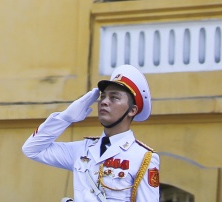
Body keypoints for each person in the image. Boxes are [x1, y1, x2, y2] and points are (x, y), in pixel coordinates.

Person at [22, 65, 160, 202]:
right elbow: (32, 149)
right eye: (103, 97)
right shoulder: (83, 149)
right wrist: (65, 118)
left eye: (114, 98)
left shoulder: (143, 158)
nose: (104, 102)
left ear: (132, 110)